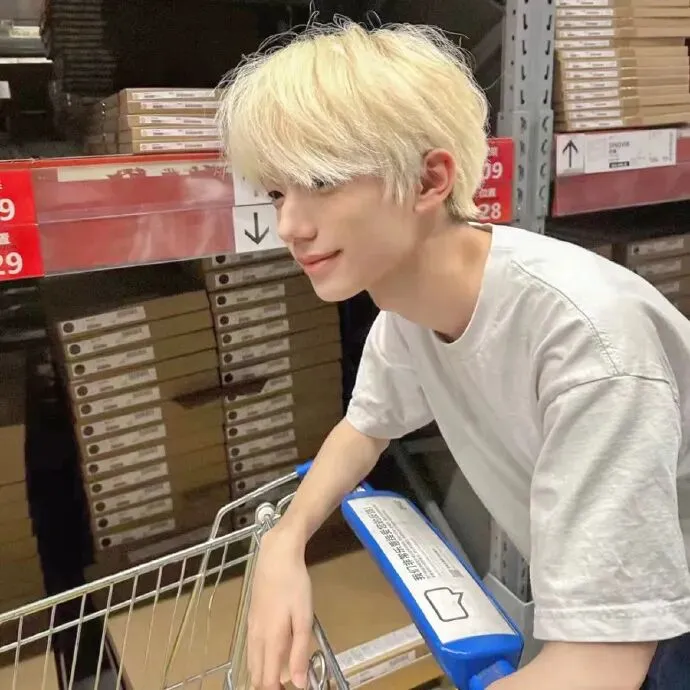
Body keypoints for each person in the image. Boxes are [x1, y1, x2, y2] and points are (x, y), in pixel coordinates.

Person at [217, 19, 690, 690]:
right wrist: (285, 540)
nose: (289, 226)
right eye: (277, 192)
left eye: (321, 180)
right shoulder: (410, 305)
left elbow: (602, 665)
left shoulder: (585, 344)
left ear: (428, 179)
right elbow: (365, 427)